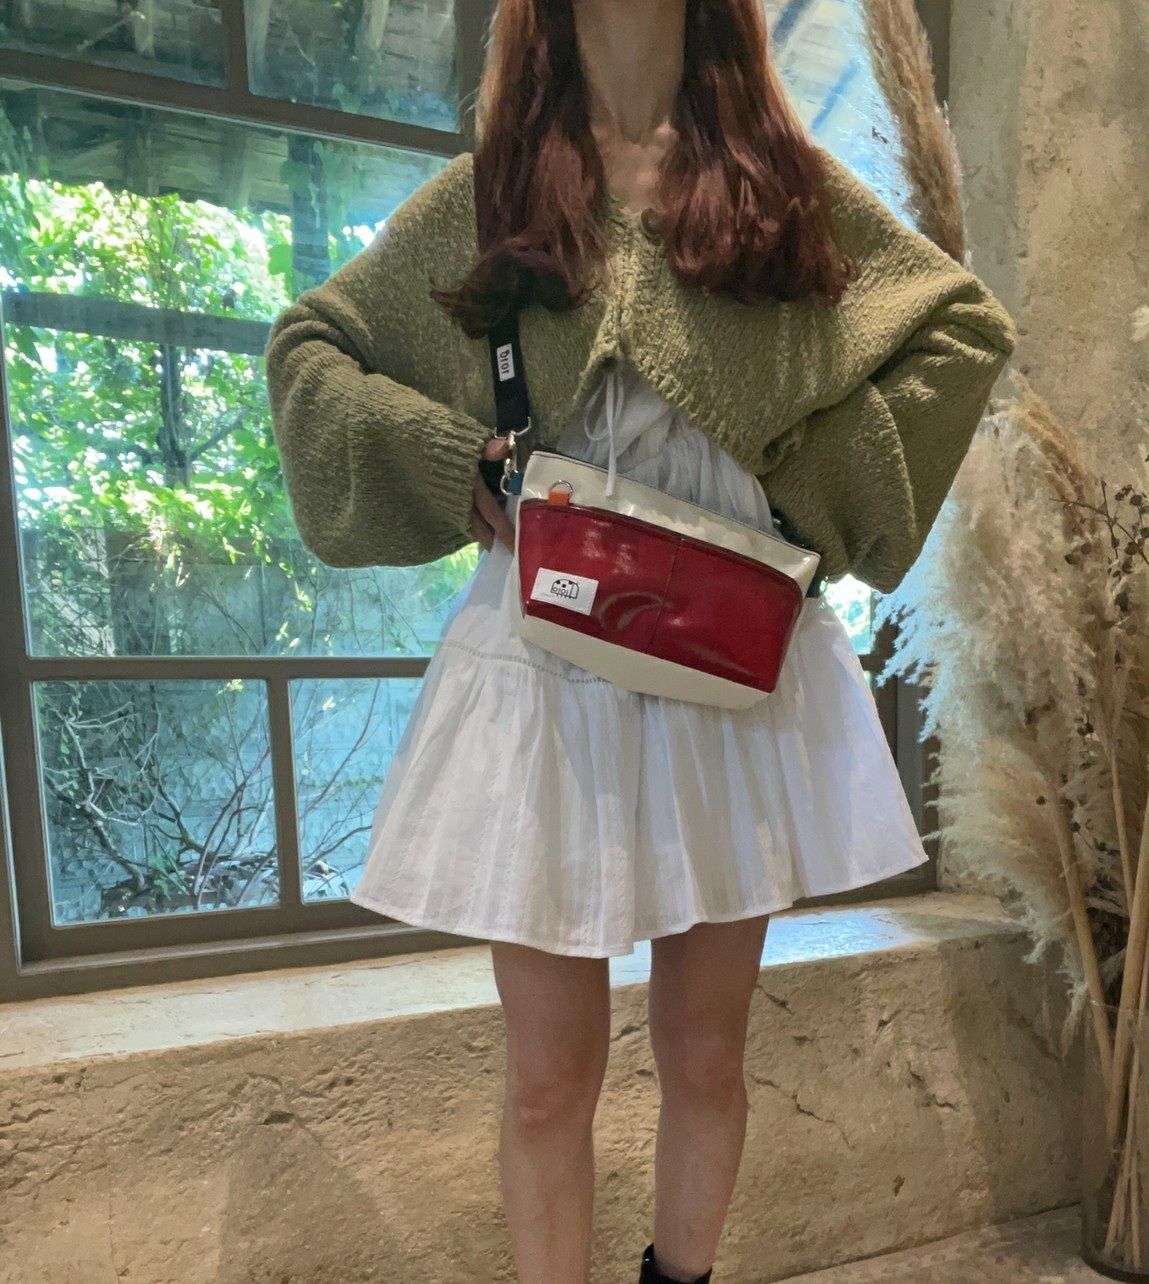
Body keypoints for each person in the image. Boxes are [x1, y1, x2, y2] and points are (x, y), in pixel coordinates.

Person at [264, 1, 1017, 1279]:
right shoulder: (494, 195)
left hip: (727, 657)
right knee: (547, 1083)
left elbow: (964, 328)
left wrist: (810, 490)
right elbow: (309, 351)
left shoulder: (786, 190)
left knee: (707, 1059)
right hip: (540, 669)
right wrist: (452, 460)